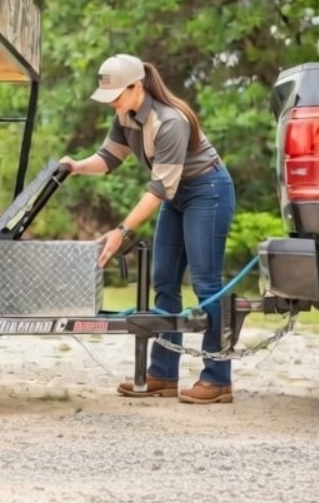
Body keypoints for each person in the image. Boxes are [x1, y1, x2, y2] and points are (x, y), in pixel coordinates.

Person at [60, 54, 238, 404]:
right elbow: (109, 159)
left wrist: (121, 230)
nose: (112, 104)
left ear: (136, 86)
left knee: (206, 284)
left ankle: (218, 380)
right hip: (176, 195)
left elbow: (159, 189)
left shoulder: (170, 121)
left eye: (117, 96)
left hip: (207, 192)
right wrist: (76, 166)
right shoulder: (125, 116)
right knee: (164, 282)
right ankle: (163, 375)